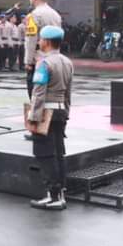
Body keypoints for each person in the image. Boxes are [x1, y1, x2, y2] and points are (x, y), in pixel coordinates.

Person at [28, 25, 73, 211]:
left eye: (40, 39)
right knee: (58, 153)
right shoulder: (67, 62)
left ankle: (52, 195)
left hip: (46, 112)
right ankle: (60, 193)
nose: (38, 42)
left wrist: (33, 118)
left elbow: (39, 93)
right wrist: (67, 112)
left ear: (46, 41)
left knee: (45, 154)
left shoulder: (44, 63)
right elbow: (69, 92)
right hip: (61, 111)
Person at [24, 0, 63, 96]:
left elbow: (31, 40)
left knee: (36, 96)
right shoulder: (55, 14)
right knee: (51, 96)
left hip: (38, 60)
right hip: (54, 59)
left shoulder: (34, 15)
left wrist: (28, 61)